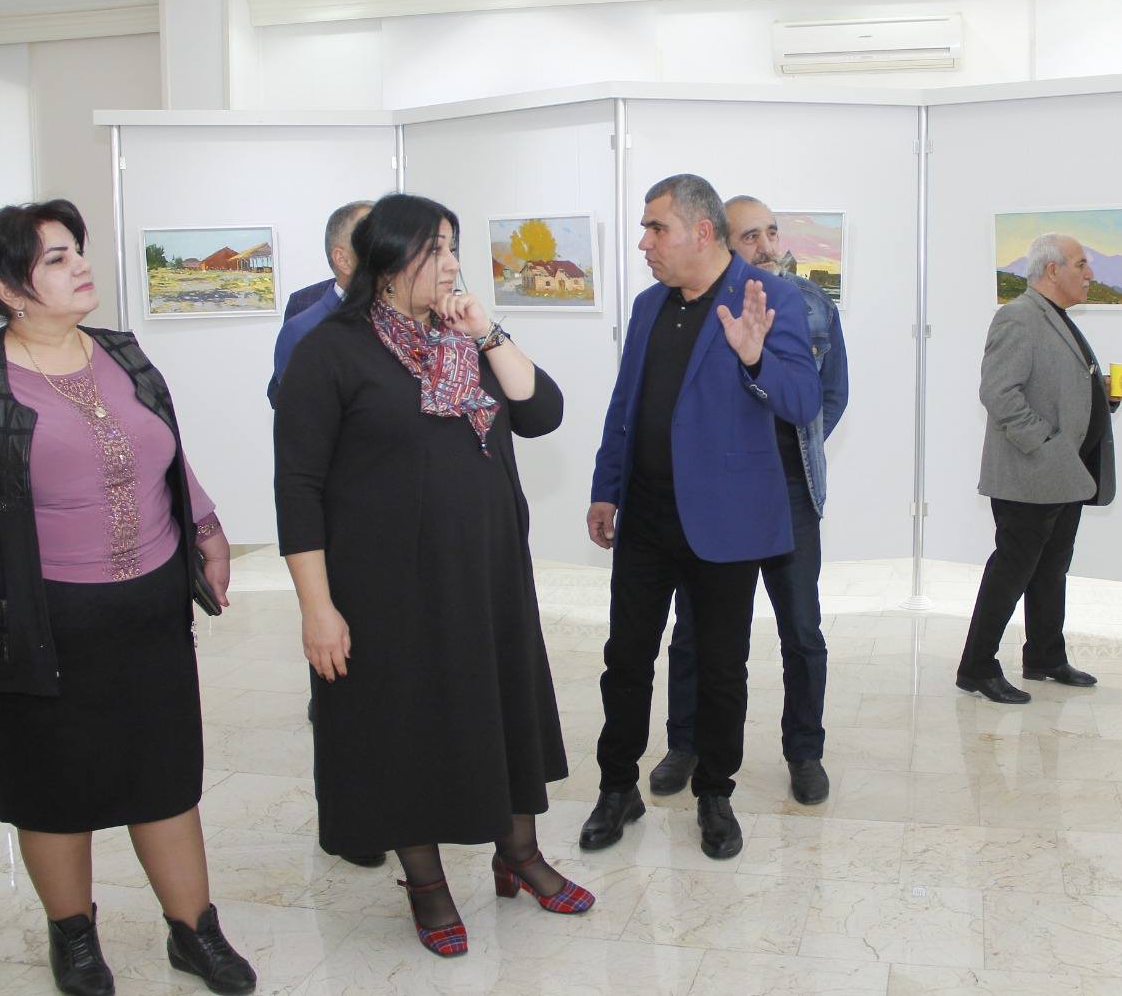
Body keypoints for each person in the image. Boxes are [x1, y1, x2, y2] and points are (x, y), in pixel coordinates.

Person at [0, 200, 256, 996]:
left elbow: (164, 452)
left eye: (76, 250)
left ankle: (194, 932)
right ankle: (75, 939)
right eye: (56, 259)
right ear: (9, 290)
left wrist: (205, 526)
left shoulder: (124, 354)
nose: (80, 265)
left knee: (165, 777)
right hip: (36, 622)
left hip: (148, 613)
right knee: (51, 789)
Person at [273, 193, 593, 960]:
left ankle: (519, 855)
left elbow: (541, 412)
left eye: (453, 246)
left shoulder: (464, 339)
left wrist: (486, 331)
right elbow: (298, 488)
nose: (451, 263)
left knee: (500, 707)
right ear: (387, 261)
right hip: (385, 585)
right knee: (405, 724)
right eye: (434, 249)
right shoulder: (332, 349)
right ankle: (425, 883)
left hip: (486, 571)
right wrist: (317, 607)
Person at [580, 174, 821, 860]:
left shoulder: (769, 297)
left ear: (702, 231)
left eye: (656, 228)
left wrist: (755, 358)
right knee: (626, 658)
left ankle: (715, 795)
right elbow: (626, 405)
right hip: (647, 515)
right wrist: (606, 487)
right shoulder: (649, 305)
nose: (645, 243)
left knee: (721, 668)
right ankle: (616, 788)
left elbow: (804, 400)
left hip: (727, 518)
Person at [649, 195, 848, 806]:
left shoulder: (812, 305)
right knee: (695, 629)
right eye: (750, 236)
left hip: (791, 492)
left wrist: (792, 446)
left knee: (802, 630)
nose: (766, 247)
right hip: (721, 496)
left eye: (771, 233)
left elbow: (831, 395)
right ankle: (685, 743)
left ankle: (805, 751)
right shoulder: (695, 309)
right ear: (719, 242)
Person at [955, 233, 1122, 704]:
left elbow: (1055, 389)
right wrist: (1047, 445)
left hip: (1064, 475)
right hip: (1030, 474)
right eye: (1081, 264)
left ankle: (1045, 657)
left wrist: (1103, 396)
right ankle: (976, 667)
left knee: (1051, 569)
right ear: (1053, 270)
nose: (1090, 274)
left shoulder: (1055, 317)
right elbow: (998, 393)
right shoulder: (1017, 317)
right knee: (1011, 571)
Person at [265, 198, 384, 871]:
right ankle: (352, 826)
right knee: (341, 677)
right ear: (343, 258)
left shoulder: (412, 319)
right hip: (338, 529)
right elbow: (298, 437)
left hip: (390, 527)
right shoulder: (308, 326)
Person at [267, 200, 373, 407]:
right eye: (375, 242)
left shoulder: (411, 314)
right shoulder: (304, 311)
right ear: (343, 260)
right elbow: (284, 397)